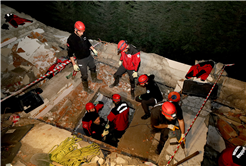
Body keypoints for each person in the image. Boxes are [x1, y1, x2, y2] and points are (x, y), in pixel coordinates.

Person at [67, 21, 102, 94]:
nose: (82, 33)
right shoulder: (71, 40)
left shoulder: (83, 34)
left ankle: (94, 79)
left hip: (89, 56)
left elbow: (87, 42)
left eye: (83, 31)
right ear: (76, 30)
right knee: (84, 75)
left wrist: (93, 49)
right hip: (81, 60)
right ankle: (86, 88)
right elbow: (70, 54)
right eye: (81, 32)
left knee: (93, 67)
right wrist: (74, 64)